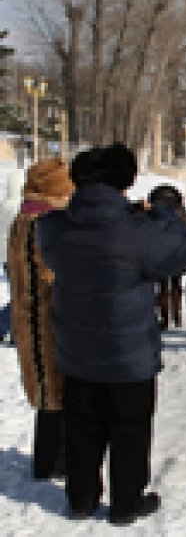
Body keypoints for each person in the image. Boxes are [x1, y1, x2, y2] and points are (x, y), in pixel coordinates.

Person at [39, 143, 186, 525]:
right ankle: (126, 503)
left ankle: (81, 498)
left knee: (82, 427)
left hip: (76, 350)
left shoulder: (55, 227)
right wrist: (162, 212)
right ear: (124, 183)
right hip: (129, 355)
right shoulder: (135, 230)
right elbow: (183, 248)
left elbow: (51, 248)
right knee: (130, 430)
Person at [8, 159, 74, 480]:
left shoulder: (22, 220)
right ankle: (55, 461)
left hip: (26, 313)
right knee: (55, 388)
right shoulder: (46, 223)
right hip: (47, 314)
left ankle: (47, 458)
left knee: (45, 388)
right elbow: (55, 270)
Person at [148, 185, 186, 330]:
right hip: (177, 253)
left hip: (160, 255)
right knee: (176, 285)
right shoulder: (181, 213)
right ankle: (177, 317)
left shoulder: (153, 213)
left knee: (162, 287)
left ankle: (165, 319)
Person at [0, 164, 26, 343]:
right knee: (22, 298)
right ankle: (6, 327)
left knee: (18, 296)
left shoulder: (4, 205)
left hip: (6, 258)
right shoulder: (21, 207)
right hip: (17, 256)